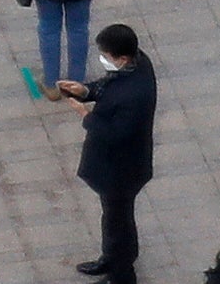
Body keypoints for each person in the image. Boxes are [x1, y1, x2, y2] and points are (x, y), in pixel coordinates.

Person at [56, 24, 157, 284]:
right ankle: (112, 258)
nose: (104, 60)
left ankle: (121, 273)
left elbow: (114, 134)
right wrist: (86, 91)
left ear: (122, 58)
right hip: (118, 167)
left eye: (107, 56)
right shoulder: (137, 64)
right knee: (115, 217)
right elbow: (109, 84)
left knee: (118, 222)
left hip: (121, 170)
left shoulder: (135, 95)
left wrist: (85, 115)